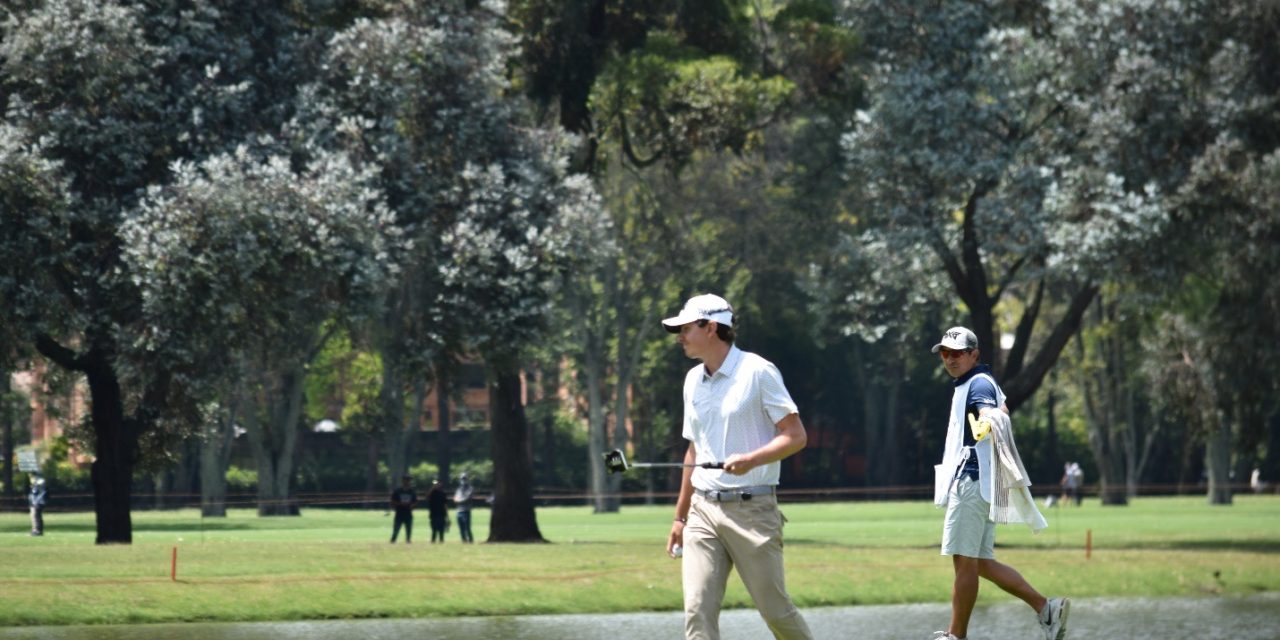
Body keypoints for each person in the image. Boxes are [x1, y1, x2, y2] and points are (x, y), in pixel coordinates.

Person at [662, 293, 813, 640]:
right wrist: (679, 517)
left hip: (752, 511)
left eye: (686, 329)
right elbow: (694, 451)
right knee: (697, 611)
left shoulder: (758, 372)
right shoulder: (691, 380)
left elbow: (795, 436)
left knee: (776, 612)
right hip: (702, 511)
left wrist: (751, 460)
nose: (680, 337)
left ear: (711, 327)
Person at [929, 326, 1068, 640]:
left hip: (971, 481)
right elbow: (1000, 407)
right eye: (945, 353)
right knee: (980, 563)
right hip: (981, 483)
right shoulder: (976, 382)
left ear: (974, 354)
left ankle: (955, 636)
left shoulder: (977, 383)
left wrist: (987, 419)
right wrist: (992, 415)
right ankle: (1046, 608)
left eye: (957, 353)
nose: (950, 359)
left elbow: (990, 412)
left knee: (964, 562)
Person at [389, 475, 417, 544]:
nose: (407, 482)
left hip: (408, 512)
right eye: (406, 480)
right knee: (396, 528)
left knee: (409, 528)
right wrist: (400, 504)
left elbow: (415, 501)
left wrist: (411, 505)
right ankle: (393, 540)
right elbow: (392, 500)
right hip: (399, 512)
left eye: (409, 480)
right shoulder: (398, 491)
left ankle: (408, 540)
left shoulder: (412, 491)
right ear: (403, 481)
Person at [454, 472, 475, 543]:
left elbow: (467, 498)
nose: (463, 480)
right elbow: (455, 498)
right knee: (461, 528)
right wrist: (459, 500)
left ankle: (470, 540)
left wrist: (459, 500)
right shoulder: (459, 489)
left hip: (466, 510)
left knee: (467, 528)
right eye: (462, 478)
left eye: (464, 478)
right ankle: (464, 541)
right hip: (459, 511)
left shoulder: (470, 488)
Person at [427, 479, 449, 543]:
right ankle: (433, 540)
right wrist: (432, 488)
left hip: (442, 513)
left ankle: (441, 540)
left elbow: (445, 504)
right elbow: (427, 498)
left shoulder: (443, 493)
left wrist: (447, 515)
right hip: (433, 514)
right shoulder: (432, 493)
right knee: (434, 529)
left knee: (441, 529)